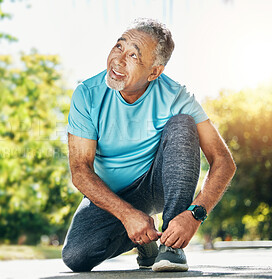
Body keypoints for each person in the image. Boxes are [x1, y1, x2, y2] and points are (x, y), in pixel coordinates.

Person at [62, 18, 236, 272]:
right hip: (114, 193)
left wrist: (194, 215)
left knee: (182, 124)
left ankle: (171, 246)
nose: (118, 60)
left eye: (133, 55)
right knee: (76, 256)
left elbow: (223, 161)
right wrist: (127, 215)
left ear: (154, 72)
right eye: (119, 47)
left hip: (158, 183)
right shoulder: (86, 94)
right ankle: (146, 242)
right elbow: (80, 170)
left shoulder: (176, 95)